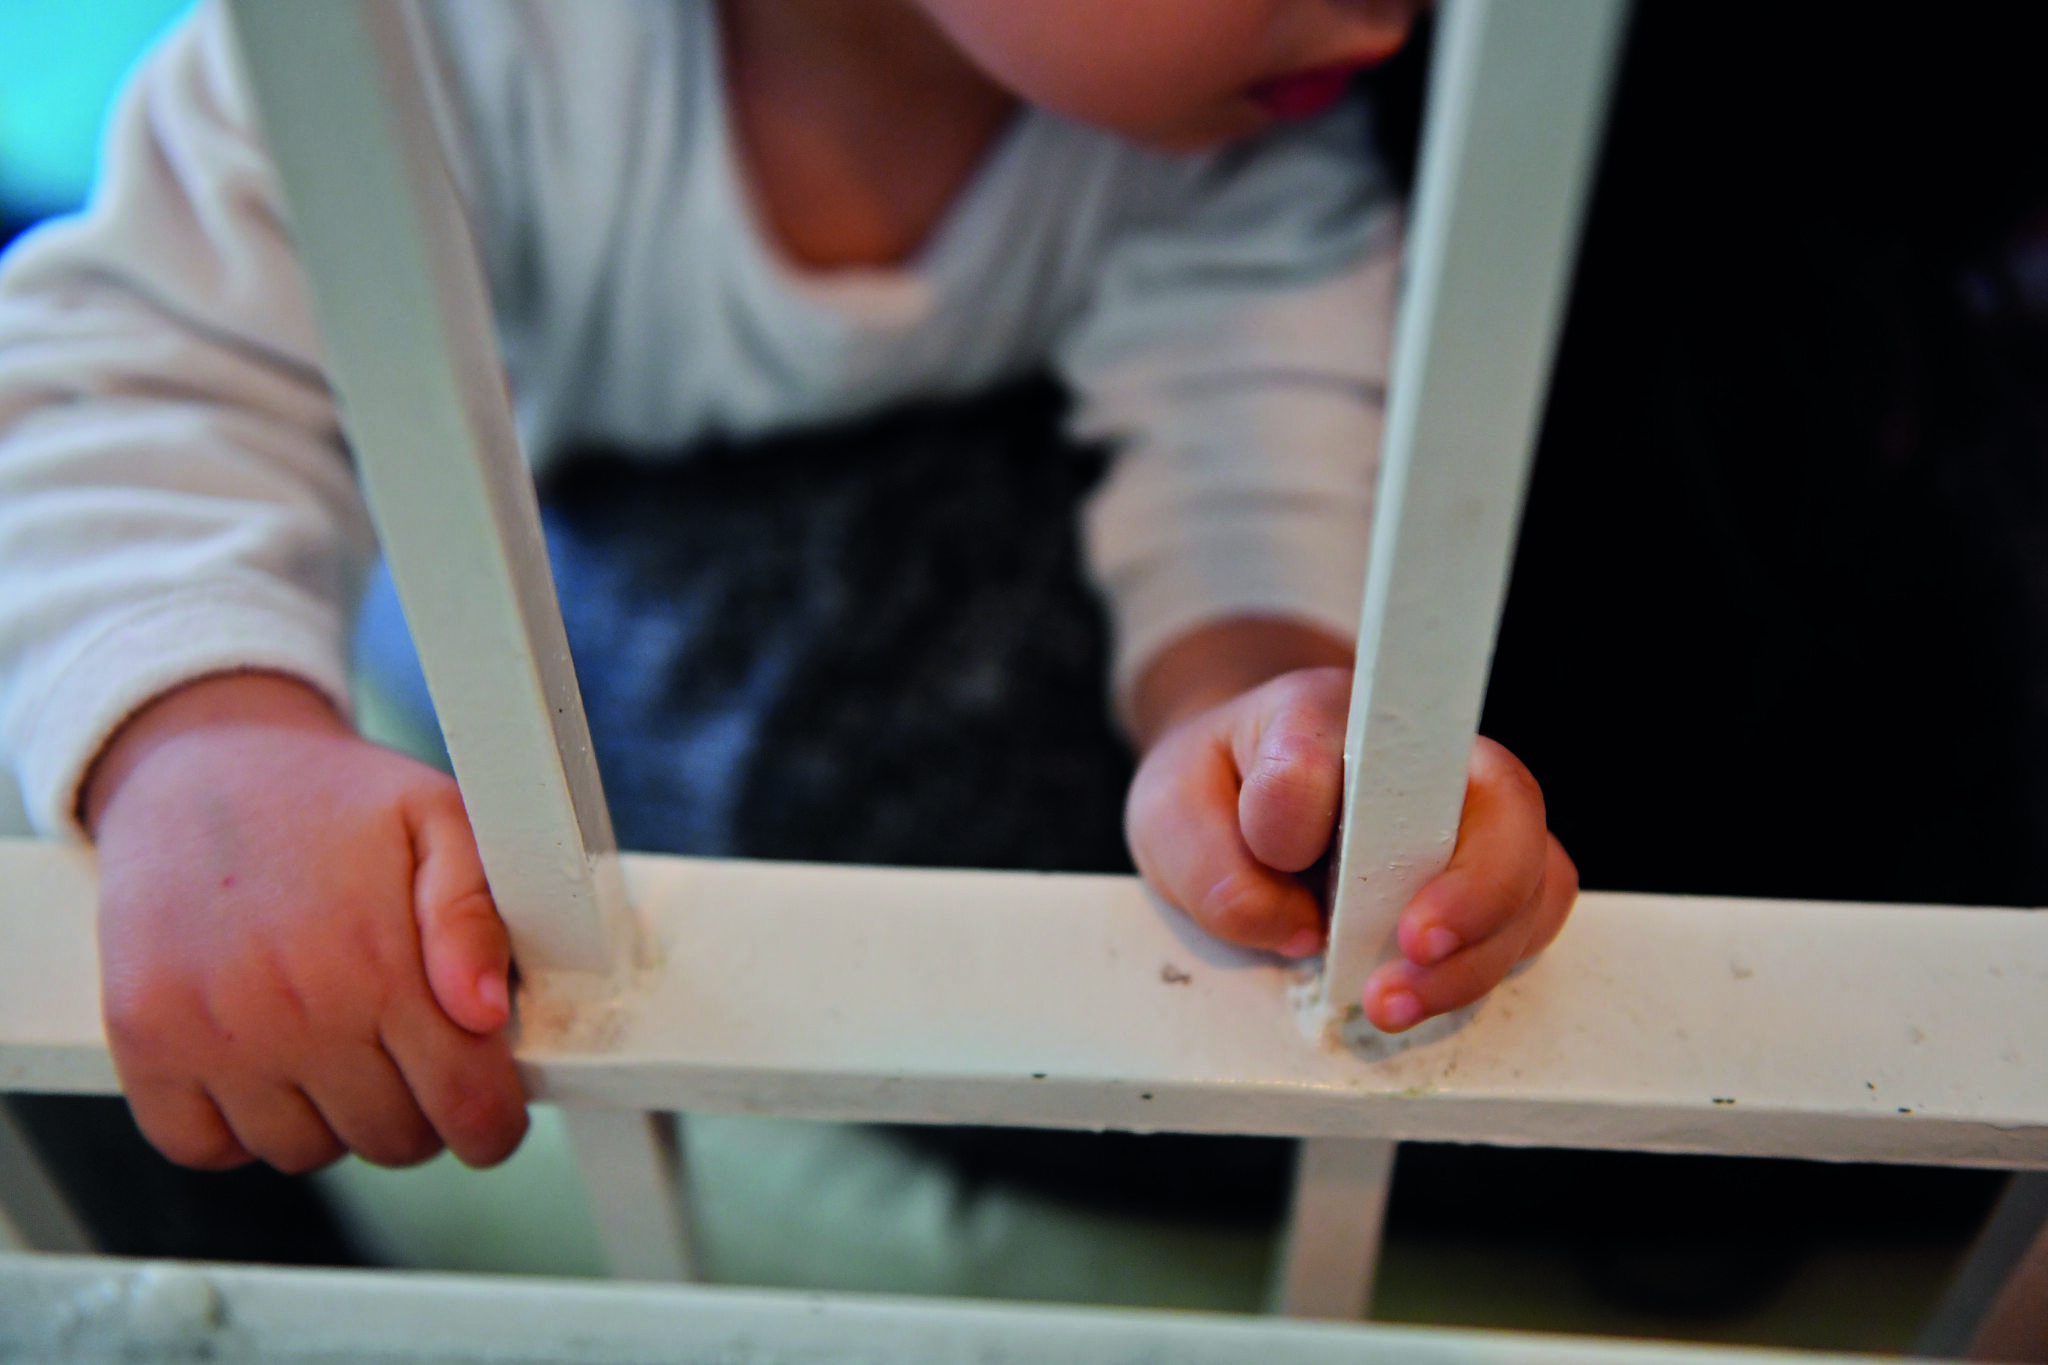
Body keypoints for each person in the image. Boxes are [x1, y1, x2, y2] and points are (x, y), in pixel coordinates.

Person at [0, 0, 1576, 1176]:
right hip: (459, 551)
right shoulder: (431, 41)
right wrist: (208, 743)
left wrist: (1272, 733)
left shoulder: (1248, 145)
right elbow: (136, 373)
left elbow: (1256, 461)